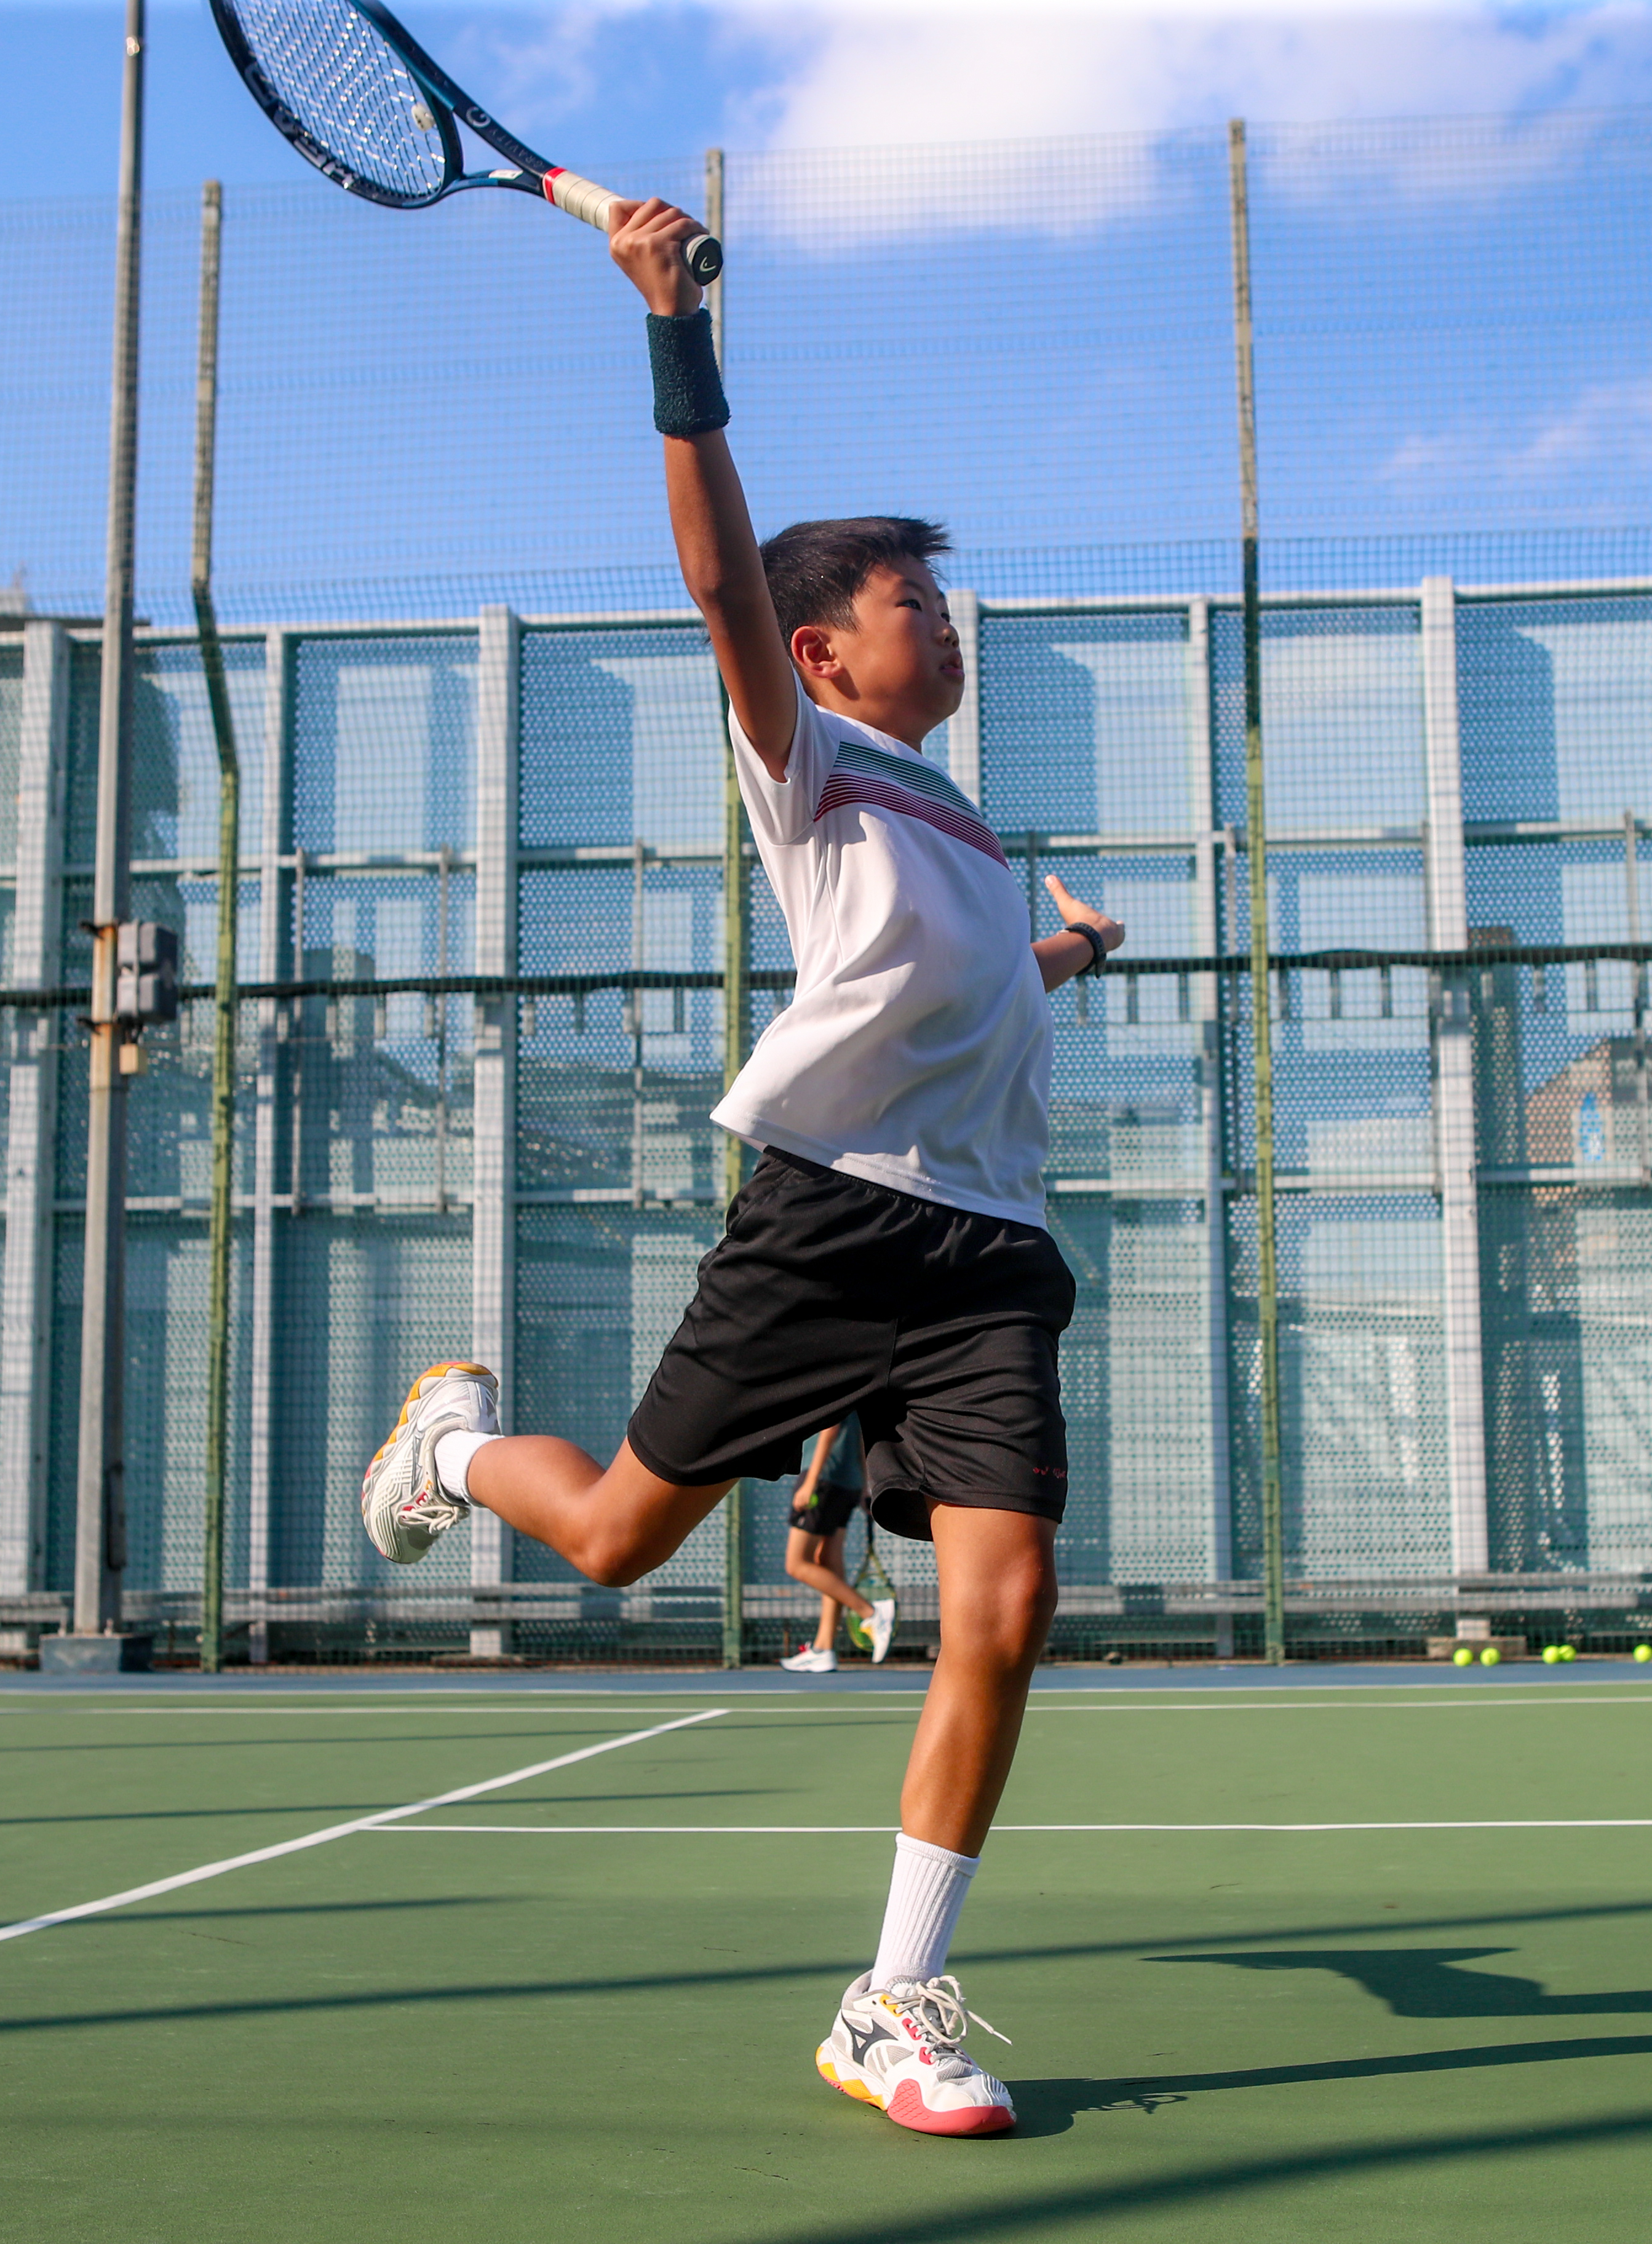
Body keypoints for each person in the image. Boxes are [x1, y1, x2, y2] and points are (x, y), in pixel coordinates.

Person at [351, 192, 1123, 2139]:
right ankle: (454, 1445)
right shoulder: (808, 757)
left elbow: (941, 999)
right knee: (616, 1534)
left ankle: (893, 1996)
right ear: (820, 652)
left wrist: (1053, 956)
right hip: (834, 1220)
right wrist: (676, 332)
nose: (940, 620)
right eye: (908, 603)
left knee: (1007, 1610)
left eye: (941, 601)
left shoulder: (950, 809)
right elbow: (711, 574)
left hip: (991, 1255)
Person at [779, 1416, 894, 1673]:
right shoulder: (854, 1380)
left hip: (824, 1479)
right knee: (827, 1560)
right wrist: (865, 1485)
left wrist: (811, 1482)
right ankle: (824, 1649)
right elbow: (862, 1436)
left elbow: (829, 1428)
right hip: (847, 1481)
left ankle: (871, 1614)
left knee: (797, 1563)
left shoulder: (824, 1377)